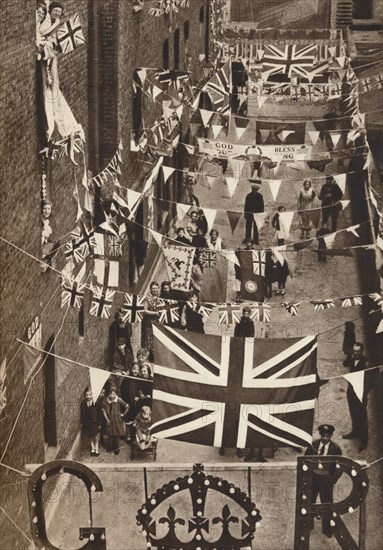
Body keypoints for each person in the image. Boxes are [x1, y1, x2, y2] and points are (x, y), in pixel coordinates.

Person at [305, 424, 342, 538]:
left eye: (328, 436)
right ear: (320, 435)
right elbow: (306, 461)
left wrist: (332, 479)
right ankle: (308, 525)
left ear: (331, 436)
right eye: (323, 436)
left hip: (326, 480)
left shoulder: (336, 448)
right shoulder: (313, 445)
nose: (325, 439)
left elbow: (339, 466)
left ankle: (327, 528)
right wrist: (308, 477)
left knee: (327, 504)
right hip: (314, 479)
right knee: (310, 501)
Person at [343, 343, 370, 451]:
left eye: (357, 351)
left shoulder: (366, 363)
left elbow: (369, 382)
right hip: (351, 393)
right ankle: (355, 432)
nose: (355, 353)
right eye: (354, 351)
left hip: (360, 394)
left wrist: (363, 394)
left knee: (362, 418)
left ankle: (364, 441)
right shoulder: (352, 359)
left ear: (362, 351)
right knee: (354, 414)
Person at [101, 386, 130, 455]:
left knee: (116, 436)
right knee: (110, 436)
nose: (112, 396)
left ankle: (116, 449)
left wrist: (123, 414)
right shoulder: (105, 400)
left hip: (117, 420)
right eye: (110, 394)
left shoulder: (119, 400)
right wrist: (107, 419)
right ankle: (110, 448)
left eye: (114, 394)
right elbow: (104, 411)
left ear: (116, 394)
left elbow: (127, 406)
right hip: (109, 420)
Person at [141, 282, 163, 361]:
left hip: (158, 322)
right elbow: (145, 310)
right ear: (150, 289)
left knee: (157, 338)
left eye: (156, 288)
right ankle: (148, 357)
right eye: (153, 288)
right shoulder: (148, 298)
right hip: (149, 322)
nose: (155, 290)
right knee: (148, 339)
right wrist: (155, 313)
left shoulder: (161, 297)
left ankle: (156, 356)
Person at [80, 387, 101, 457]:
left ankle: (96, 447)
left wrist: (99, 424)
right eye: (87, 395)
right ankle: (92, 447)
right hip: (87, 423)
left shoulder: (96, 403)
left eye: (90, 395)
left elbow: (99, 413)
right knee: (90, 436)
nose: (88, 397)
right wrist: (82, 423)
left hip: (95, 422)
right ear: (85, 395)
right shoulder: (83, 404)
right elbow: (82, 414)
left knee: (95, 436)